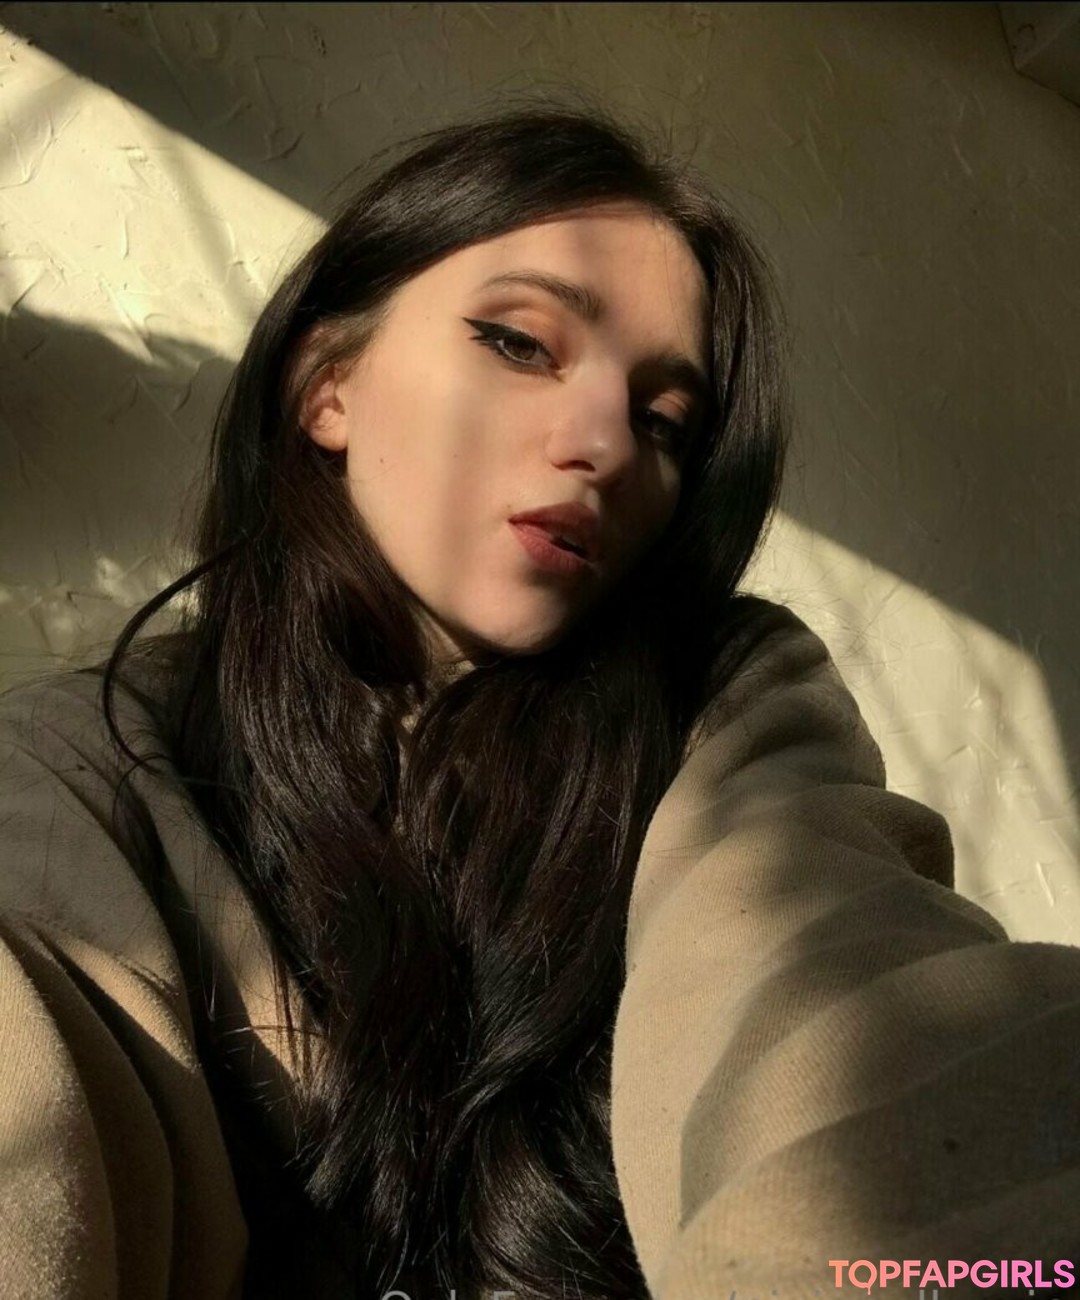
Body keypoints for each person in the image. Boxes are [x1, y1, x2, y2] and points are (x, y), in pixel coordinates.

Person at [0, 108, 1076, 1300]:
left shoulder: (719, 714)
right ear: (327, 386)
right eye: (519, 343)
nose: (606, 440)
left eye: (665, 422)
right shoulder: (83, 766)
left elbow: (846, 1001)